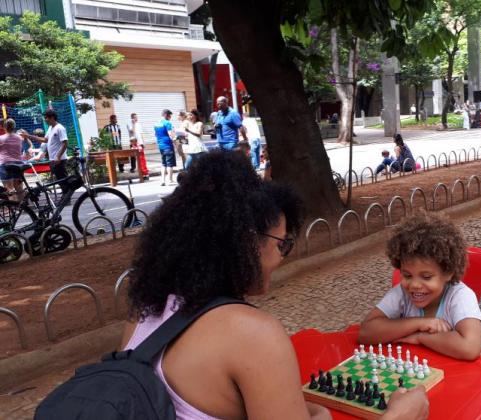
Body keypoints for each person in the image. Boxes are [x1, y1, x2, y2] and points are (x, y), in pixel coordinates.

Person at [121, 151, 428, 420]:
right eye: (281, 245)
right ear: (248, 244)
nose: (281, 258)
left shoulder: (144, 313)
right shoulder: (252, 334)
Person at [359, 214, 481, 360]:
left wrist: (420, 337)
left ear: (448, 272)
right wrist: (419, 323)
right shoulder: (402, 293)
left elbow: (470, 348)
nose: (414, 285)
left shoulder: (460, 296)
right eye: (407, 275)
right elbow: (366, 333)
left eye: (426, 277)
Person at [20, 109, 71, 201]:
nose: (45, 120)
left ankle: (66, 198)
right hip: (53, 159)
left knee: (63, 179)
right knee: (59, 179)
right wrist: (28, 136)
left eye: (46, 118)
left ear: (52, 118)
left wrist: (58, 156)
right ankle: (65, 197)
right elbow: (45, 140)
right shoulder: (51, 128)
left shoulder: (60, 128)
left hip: (59, 159)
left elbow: (65, 143)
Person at [0, 118, 25, 201]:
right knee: (19, 187)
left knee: (9, 188)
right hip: (18, 164)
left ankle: (14, 210)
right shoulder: (19, 138)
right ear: (14, 127)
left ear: (4, 127)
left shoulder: (1, 138)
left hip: (5, 164)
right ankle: (23, 207)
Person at [154, 109, 176, 186]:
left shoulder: (156, 124)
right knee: (170, 163)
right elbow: (171, 134)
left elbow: (156, 135)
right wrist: (175, 140)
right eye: (170, 115)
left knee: (163, 163)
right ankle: (170, 180)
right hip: (168, 145)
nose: (170, 117)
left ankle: (162, 180)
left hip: (161, 146)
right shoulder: (168, 123)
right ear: (166, 115)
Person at [128, 113, 149, 180]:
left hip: (140, 143)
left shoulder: (139, 124)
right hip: (134, 144)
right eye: (135, 118)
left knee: (142, 159)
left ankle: (145, 173)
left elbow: (141, 134)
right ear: (132, 118)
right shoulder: (129, 125)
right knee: (136, 160)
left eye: (136, 117)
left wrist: (143, 142)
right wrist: (133, 124)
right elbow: (132, 132)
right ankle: (136, 170)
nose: (136, 119)